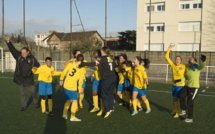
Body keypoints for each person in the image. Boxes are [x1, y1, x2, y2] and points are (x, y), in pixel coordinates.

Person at [77, 47, 117, 118]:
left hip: (106, 79)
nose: (100, 51)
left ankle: (107, 110)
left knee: (104, 95)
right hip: (113, 78)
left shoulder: (101, 58)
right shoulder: (111, 58)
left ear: (103, 51)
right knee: (110, 94)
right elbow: (114, 66)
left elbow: (93, 63)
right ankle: (111, 109)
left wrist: (82, 63)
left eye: (101, 50)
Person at [5, 36, 40, 111]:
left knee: (33, 92)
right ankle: (24, 106)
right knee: (22, 94)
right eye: (22, 52)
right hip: (20, 78)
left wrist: (35, 67)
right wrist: (8, 42)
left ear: (28, 52)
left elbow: (37, 65)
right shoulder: (18, 56)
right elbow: (12, 50)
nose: (23, 54)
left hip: (29, 79)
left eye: (24, 52)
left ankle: (36, 102)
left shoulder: (32, 58)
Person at [179, 55, 206, 123]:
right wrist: (180, 79)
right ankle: (184, 110)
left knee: (190, 102)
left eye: (191, 59)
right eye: (189, 59)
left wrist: (204, 61)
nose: (189, 60)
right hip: (187, 86)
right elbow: (187, 78)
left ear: (194, 61)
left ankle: (190, 118)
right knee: (181, 96)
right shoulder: (188, 68)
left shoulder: (197, 67)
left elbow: (202, 66)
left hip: (194, 88)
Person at [60, 54, 85, 122]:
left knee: (68, 100)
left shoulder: (71, 64)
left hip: (66, 85)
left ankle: (64, 114)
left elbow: (64, 71)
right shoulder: (82, 69)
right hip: (72, 87)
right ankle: (72, 117)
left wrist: (61, 79)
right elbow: (80, 81)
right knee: (74, 101)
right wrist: (79, 89)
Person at [165, 44, 186, 118]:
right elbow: (167, 57)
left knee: (177, 99)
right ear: (175, 60)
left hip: (180, 86)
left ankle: (179, 112)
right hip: (174, 84)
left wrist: (183, 79)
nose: (177, 60)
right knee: (174, 98)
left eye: (179, 59)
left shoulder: (184, 66)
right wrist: (169, 48)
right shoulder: (172, 65)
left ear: (181, 61)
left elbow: (190, 69)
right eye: (176, 59)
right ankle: (175, 109)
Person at [89, 50, 104, 116]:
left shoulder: (100, 60)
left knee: (100, 95)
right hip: (96, 80)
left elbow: (96, 67)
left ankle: (102, 109)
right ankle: (96, 107)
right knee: (94, 92)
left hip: (101, 80)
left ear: (98, 54)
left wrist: (87, 65)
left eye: (94, 53)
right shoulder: (96, 60)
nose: (93, 54)